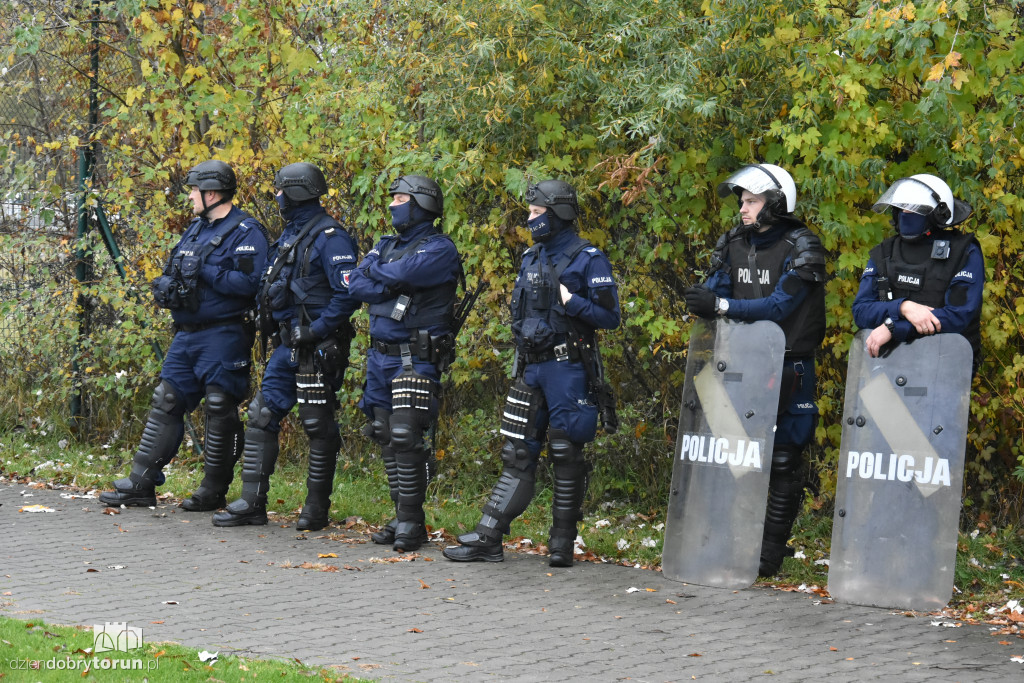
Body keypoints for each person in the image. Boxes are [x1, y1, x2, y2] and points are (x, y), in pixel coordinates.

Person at [442, 179, 620, 568]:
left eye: (537, 212)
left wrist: (572, 302)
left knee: (566, 451)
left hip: (568, 368)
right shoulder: (530, 258)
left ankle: (561, 544)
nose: (530, 219)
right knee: (517, 452)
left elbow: (610, 317)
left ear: (559, 213)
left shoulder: (588, 258)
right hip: (530, 367)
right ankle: (488, 539)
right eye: (531, 212)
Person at [681, 163, 827, 577]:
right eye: (742, 202)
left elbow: (780, 307)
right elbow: (720, 289)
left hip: (789, 365)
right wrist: (705, 296)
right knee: (734, 455)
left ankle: (769, 554)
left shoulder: (803, 246)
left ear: (775, 202)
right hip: (740, 362)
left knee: (782, 460)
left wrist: (723, 306)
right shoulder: (733, 242)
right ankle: (730, 541)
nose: (742, 209)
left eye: (750, 201)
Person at [100, 160, 270, 510]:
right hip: (187, 334)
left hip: (225, 334)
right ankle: (141, 482)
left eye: (194, 190)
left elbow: (251, 284)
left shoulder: (246, 231)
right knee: (166, 400)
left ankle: (213, 489)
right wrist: (165, 286)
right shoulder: (195, 229)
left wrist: (206, 271)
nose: (190, 196)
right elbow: (176, 268)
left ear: (212, 192)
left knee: (221, 408)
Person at [212, 162, 360, 530]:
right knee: (262, 415)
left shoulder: (330, 237)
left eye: (279, 190)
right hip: (287, 344)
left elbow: (347, 294)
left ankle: (315, 509)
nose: (276, 197)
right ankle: (251, 502)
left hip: (318, 347)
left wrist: (318, 330)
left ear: (295, 191)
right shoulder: (292, 234)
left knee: (317, 425)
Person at [347, 174, 463, 552]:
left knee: (405, 436)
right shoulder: (386, 244)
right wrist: (389, 278)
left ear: (421, 203)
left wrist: (384, 275)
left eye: (400, 198)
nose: (393, 204)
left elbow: (402, 273)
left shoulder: (440, 249)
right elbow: (355, 284)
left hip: (415, 357)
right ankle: (401, 513)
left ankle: (411, 524)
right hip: (379, 355)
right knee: (383, 433)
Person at [852, 173, 982, 370]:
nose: (906, 213)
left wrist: (894, 327)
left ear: (937, 213)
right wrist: (903, 307)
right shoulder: (885, 252)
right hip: (888, 365)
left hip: (945, 370)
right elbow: (861, 311)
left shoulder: (963, 252)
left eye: (914, 209)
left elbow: (958, 316)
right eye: (902, 208)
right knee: (867, 399)